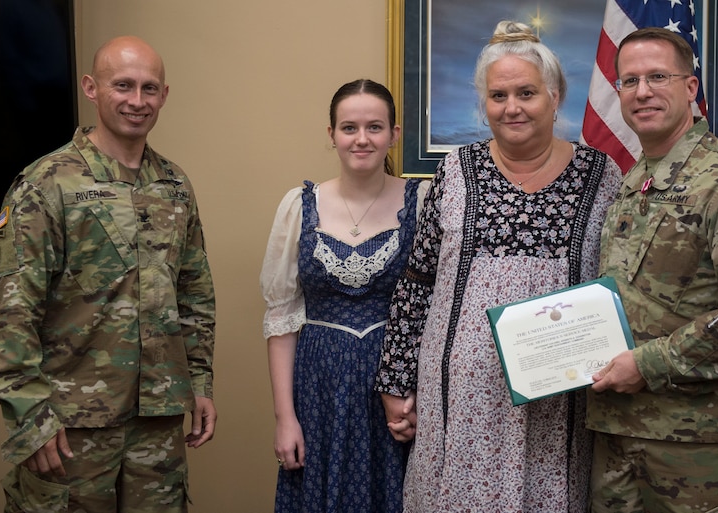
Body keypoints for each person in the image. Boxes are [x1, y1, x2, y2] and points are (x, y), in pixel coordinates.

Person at [374, 21, 623, 512]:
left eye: (527, 92)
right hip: (459, 399)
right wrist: (396, 382)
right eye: (498, 95)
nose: (512, 107)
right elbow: (418, 281)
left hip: (557, 406)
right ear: (483, 104)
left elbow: (619, 287)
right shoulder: (455, 168)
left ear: (556, 97)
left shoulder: (601, 174)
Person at [0, 36, 217, 512]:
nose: (137, 101)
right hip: (69, 426)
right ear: (91, 88)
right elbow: (11, 311)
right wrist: (30, 417)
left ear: (164, 95)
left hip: (158, 420)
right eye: (123, 85)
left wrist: (200, 383)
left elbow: (194, 294)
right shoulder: (46, 183)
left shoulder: (174, 185)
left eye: (149, 88)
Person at [588, 27, 718, 513]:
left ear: (690, 88)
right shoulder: (634, 181)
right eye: (629, 80)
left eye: (658, 76)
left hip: (702, 448)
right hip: (617, 438)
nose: (642, 91)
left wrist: (647, 364)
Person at [261, 79, 428, 513]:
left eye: (375, 127)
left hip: (399, 390)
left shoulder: (423, 201)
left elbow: (437, 305)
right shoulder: (299, 206)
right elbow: (281, 320)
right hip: (318, 388)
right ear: (331, 134)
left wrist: (416, 398)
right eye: (348, 127)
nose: (361, 138)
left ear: (394, 134)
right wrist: (285, 418)